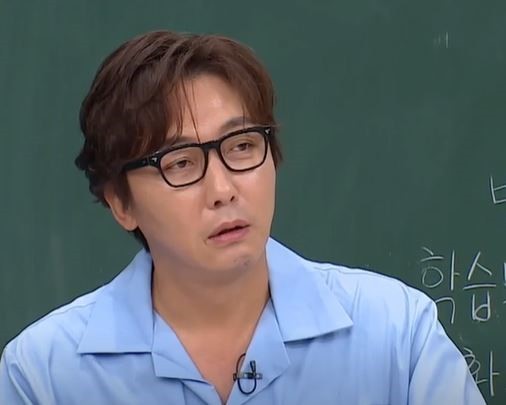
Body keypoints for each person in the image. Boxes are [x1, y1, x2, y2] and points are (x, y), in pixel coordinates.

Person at [0, 30, 485, 405]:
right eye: (180, 163)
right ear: (120, 203)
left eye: (242, 146)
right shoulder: (43, 374)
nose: (223, 190)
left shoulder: (396, 334)